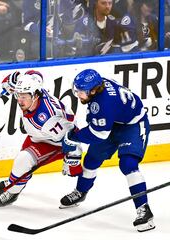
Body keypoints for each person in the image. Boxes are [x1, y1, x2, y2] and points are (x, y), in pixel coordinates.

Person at [60, 69, 155, 232]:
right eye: (77, 90)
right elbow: (100, 128)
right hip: (114, 123)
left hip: (133, 125)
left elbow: (98, 134)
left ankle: (144, 209)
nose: (78, 95)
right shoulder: (99, 88)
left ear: (94, 90)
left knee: (128, 164)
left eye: (81, 92)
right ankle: (81, 192)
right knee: (91, 160)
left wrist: (75, 137)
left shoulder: (103, 103)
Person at [0, 70, 83, 207]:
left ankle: (12, 192)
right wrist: (12, 80)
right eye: (18, 95)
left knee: (23, 160)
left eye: (23, 97)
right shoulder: (35, 88)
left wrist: (72, 158)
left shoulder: (46, 118)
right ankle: (14, 180)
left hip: (53, 144)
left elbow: (71, 136)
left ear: (34, 96)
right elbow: (35, 74)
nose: (19, 101)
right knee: (20, 164)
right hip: (37, 136)